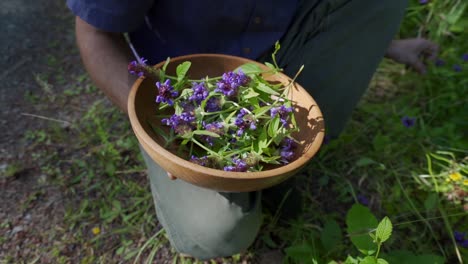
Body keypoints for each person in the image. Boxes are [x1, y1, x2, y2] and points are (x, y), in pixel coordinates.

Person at [67, 0, 438, 260]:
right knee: (215, 231)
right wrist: (158, 127)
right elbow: (95, 34)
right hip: (180, 98)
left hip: (268, 74)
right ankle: (236, 175)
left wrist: (379, 42)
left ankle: (288, 153)